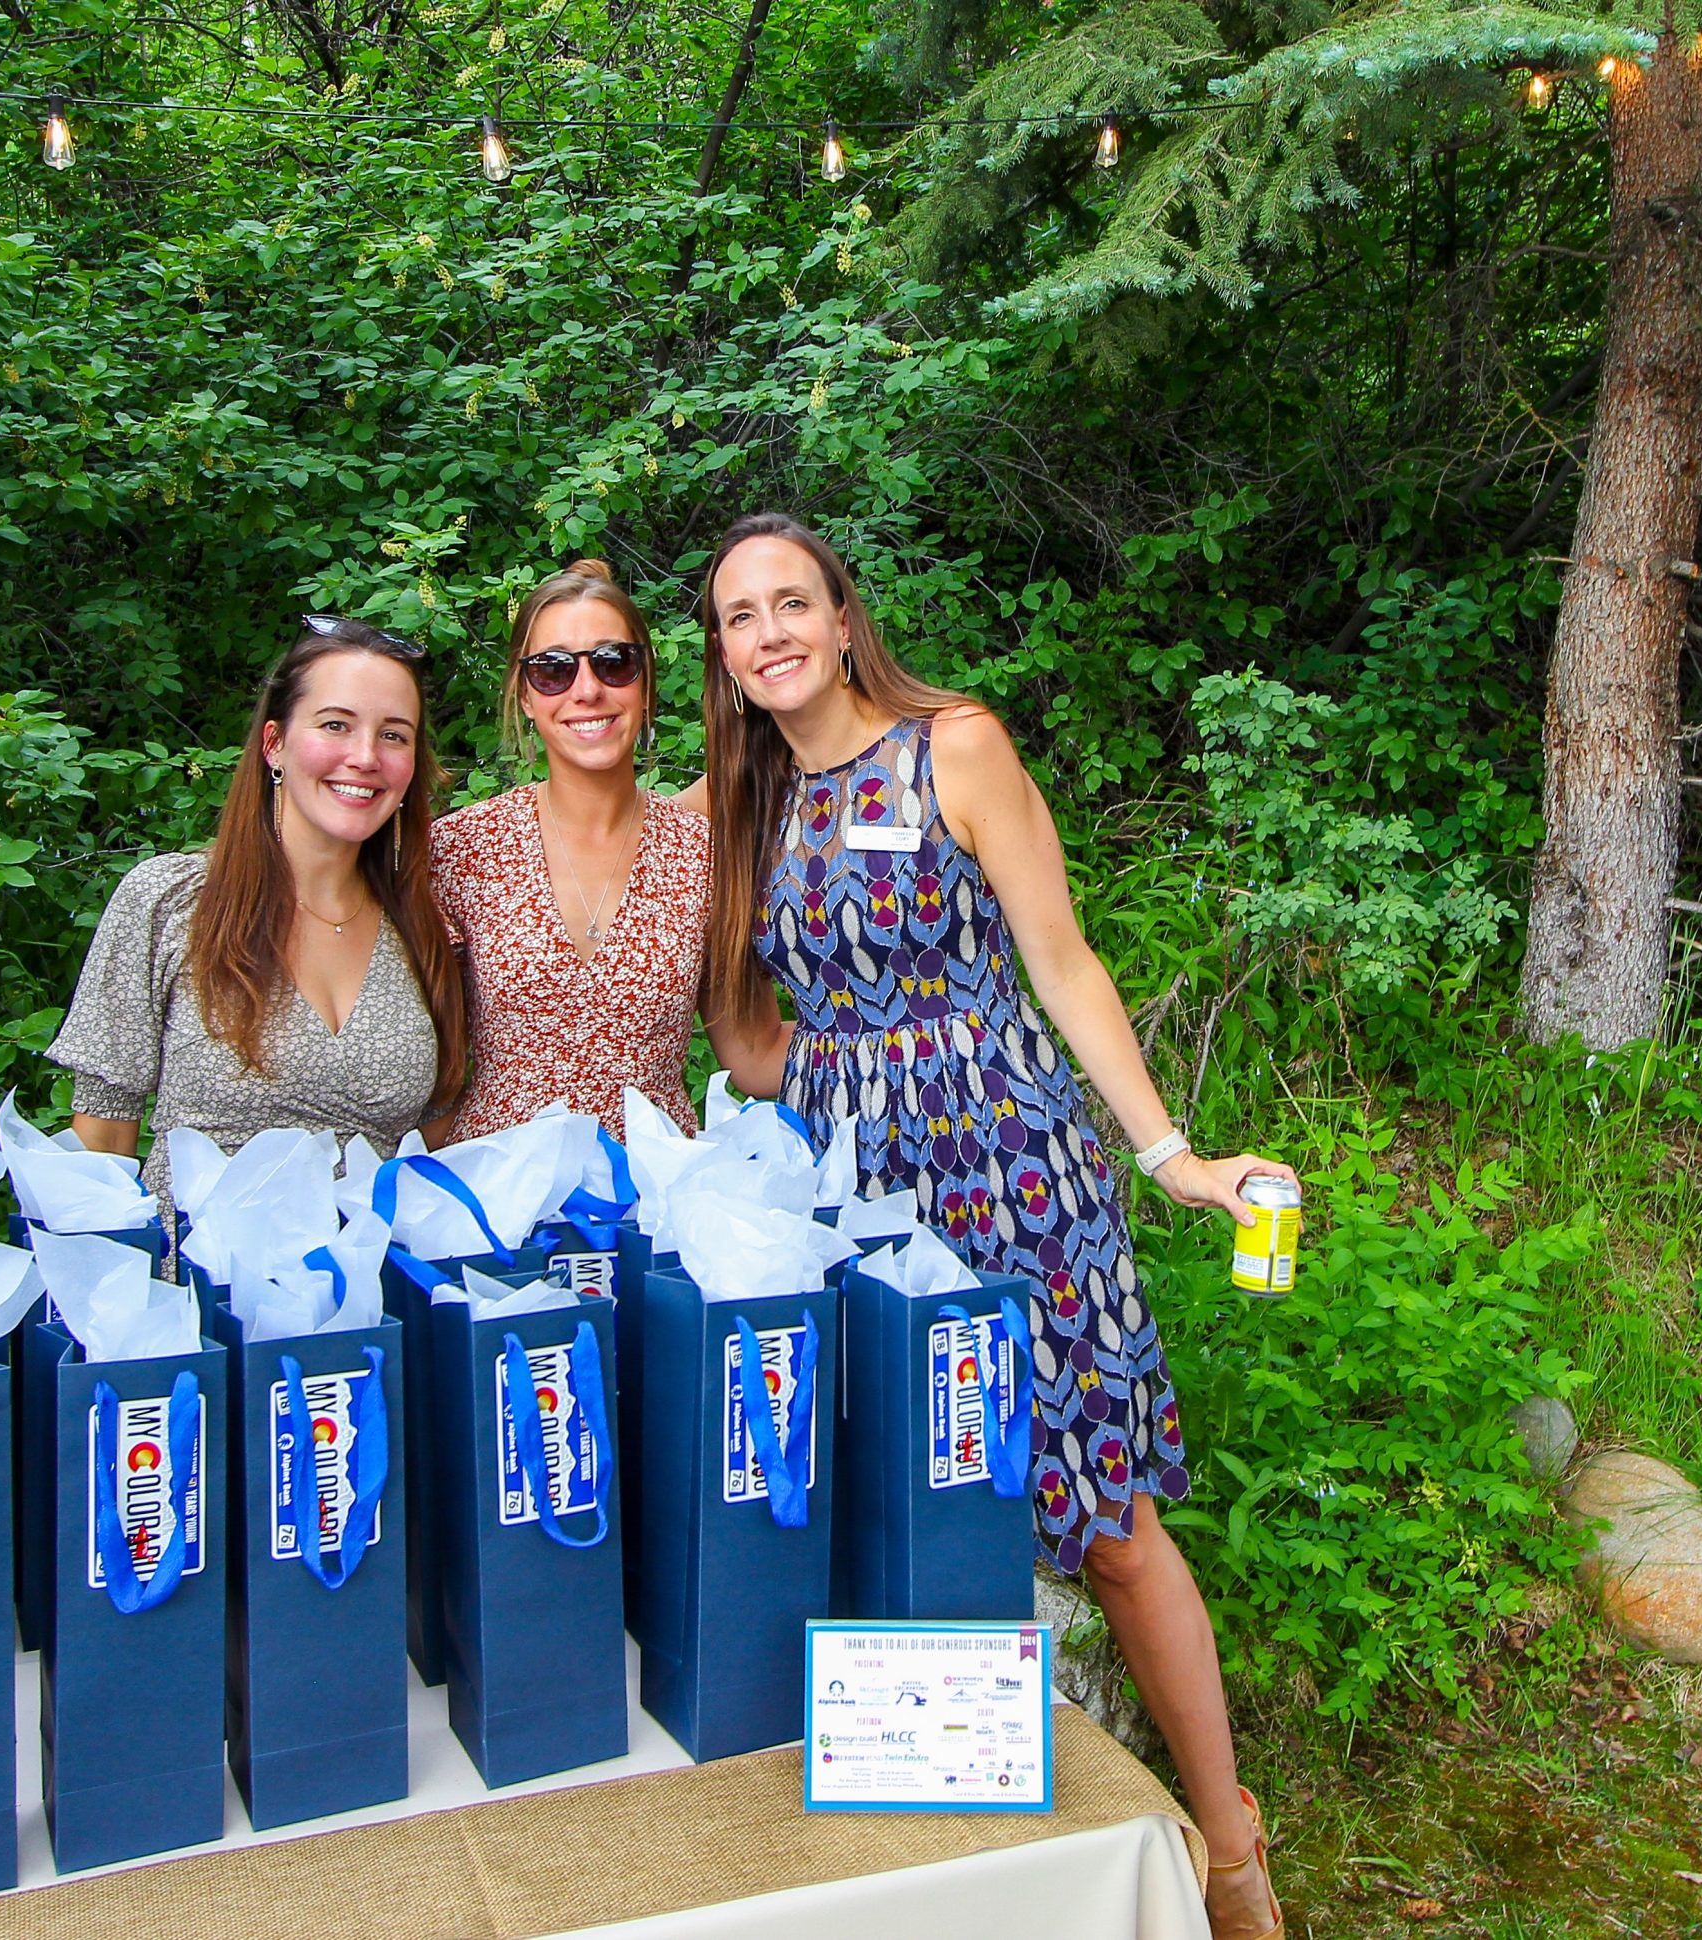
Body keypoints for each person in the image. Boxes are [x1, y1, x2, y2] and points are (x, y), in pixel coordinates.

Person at [687, 512, 1293, 1940]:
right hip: (853, 1197)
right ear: (723, 652)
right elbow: (745, 1028)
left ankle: (1230, 1840)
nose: (768, 634)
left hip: (1012, 1170)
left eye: (791, 603)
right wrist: (816, 1098)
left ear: (843, 617)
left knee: (1107, 1524)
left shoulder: (953, 744)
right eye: (737, 617)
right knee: (878, 1505)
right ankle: (926, 1858)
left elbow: (1064, 961)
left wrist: (1172, 1155)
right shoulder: (747, 796)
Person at [46, 615, 465, 1220]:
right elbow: (102, 1142)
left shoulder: (421, 923)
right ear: (275, 743)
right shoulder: (172, 902)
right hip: (196, 1296)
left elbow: (431, 1139)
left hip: (365, 1300)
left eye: (394, 735)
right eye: (335, 725)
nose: (365, 756)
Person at [430, 560, 785, 1141]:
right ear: (524, 694)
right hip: (498, 1198)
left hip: (653, 1200)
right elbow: (427, 1080)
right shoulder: (462, 851)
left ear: (644, 683)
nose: (587, 689)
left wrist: (906, 1037)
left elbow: (753, 1053)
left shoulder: (706, 856)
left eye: (613, 662)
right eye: (553, 670)